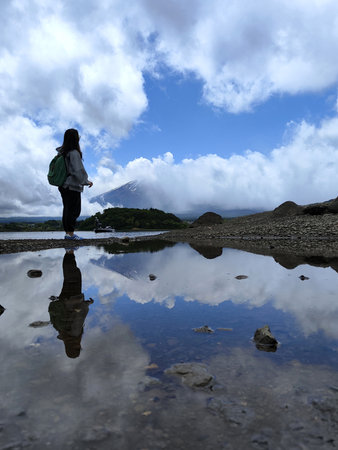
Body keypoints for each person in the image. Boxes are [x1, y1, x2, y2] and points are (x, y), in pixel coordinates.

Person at [48, 249, 94, 358]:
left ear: (76, 346)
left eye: (78, 348)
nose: (80, 345)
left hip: (73, 298)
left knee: (74, 274)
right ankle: (69, 253)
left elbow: (79, 315)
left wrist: (87, 303)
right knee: (68, 277)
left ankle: (69, 252)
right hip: (63, 300)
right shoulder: (62, 335)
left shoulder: (75, 334)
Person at [57, 128, 93, 240]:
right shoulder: (74, 153)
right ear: (76, 139)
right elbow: (77, 170)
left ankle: (68, 233)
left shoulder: (62, 153)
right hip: (72, 186)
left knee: (67, 209)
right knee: (74, 210)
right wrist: (86, 181)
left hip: (63, 185)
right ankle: (70, 234)